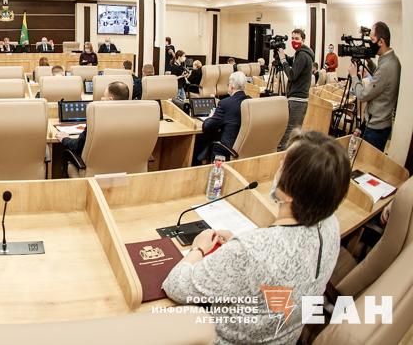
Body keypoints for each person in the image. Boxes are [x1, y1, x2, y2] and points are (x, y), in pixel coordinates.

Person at [163, 130, 350, 345]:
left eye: (282, 164)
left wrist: (198, 249)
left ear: (289, 193)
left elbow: (175, 286)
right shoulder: (331, 226)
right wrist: (239, 246)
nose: (277, 168)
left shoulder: (251, 251)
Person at [349, 21, 401, 152]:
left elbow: (363, 95)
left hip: (376, 128)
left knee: (367, 162)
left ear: (381, 42)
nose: (370, 43)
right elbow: (380, 79)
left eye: (372, 40)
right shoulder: (392, 60)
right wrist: (369, 61)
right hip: (381, 122)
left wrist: (354, 76)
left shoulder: (387, 66)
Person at [56, 81, 129, 156]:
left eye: (104, 96)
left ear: (110, 100)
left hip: (98, 161)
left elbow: (78, 147)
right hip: (124, 161)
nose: (101, 98)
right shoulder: (131, 119)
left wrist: (64, 138)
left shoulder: (97, 119)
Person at [193, 71, 248, 163]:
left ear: (231, 87)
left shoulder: (225, 103)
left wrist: (210, 117)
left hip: (226, 149)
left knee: (199, 142)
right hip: (244, 148)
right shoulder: (250, 102)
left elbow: (207, 127)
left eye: (228, 85)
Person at [277, 28, 315, 150]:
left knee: (290, 131)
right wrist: (284, 57)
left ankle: (283, 154)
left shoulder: (302, 55)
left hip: (298, 99)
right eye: (292, 38)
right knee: (292, 130)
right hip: (298, 98)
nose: (294, 41)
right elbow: (294, 63)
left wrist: (283, 61)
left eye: (297, 38)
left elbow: (292, 75)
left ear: (303, 40)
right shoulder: (300, 53)